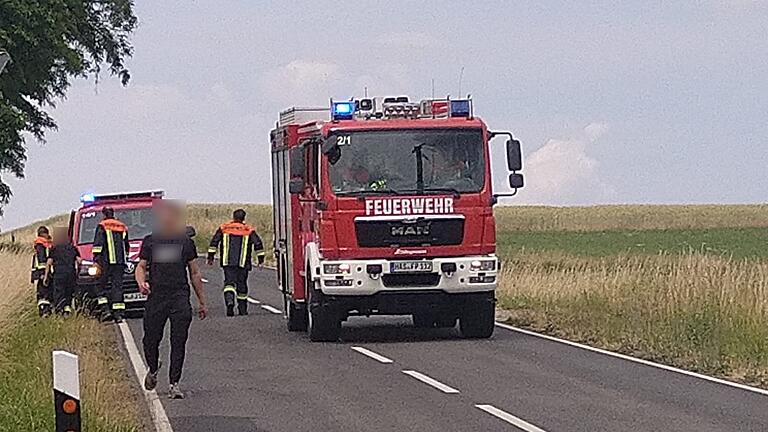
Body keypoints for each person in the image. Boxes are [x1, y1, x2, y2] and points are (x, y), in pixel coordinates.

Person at [136, 200, 207, 400]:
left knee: (178, 340)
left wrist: (202, 301)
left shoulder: (185, 242)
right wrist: (142, 283)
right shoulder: (150, 241)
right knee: (150, 338)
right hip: (156, 296)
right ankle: (153, 366)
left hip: (179, 296)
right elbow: (141, 267)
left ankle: (174, 383)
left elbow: (194, 272)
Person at [207, 209, 265, 316]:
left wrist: (211, 257)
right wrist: (261, 259)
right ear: (244, 218)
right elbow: (258, 244)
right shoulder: (248, 229)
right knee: (242, 285)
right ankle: (242, 310)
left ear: (233, 217)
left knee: (229, 283)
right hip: (243, 264)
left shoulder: (224, 228)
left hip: (227, 262)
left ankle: (230, 302)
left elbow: (214, 242)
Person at [92, 207, 130, 323]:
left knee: (99, 286)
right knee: (117, 287)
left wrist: (96, 261)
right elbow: (127, 246)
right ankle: (118, 314)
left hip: (105, 261)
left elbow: (98, 245)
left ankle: (105, 310)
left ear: (104, 214)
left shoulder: (102, 225)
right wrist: (125, 258)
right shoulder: (122, 226)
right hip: (120, 262)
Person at [44, 227, 81, 316]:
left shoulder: (54, 249)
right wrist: (77, 272)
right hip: (71, 274)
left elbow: (49, 263)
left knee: (59, 293)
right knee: (69, 293)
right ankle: (67, 310)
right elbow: (79, 261)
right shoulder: (72, 248)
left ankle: (60, 312)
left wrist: (46, 276)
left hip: (59, 275)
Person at [31, 226, 53, 316]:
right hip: (43, 274)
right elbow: (42, 261)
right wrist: (44, 274)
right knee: (44, 293)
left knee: (44, 293)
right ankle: (45, 312)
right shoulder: (41, 245)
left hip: (42, 273)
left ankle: (45, 311)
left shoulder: (40, 244)